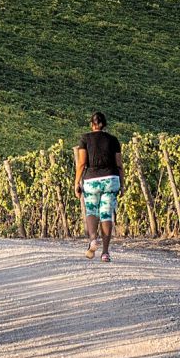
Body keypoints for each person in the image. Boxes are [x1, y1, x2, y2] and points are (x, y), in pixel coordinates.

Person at [75, 111, 123, 262]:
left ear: (91, 124)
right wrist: (122, 183)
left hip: (92, 180)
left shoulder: (85, 139)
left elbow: (82, 163)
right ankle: (105, 252)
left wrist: (77, 182)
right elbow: (119, 164)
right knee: (107, 214)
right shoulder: (114, 140)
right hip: (111, 178)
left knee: (92, 211)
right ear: (105, 124)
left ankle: (93, 239)